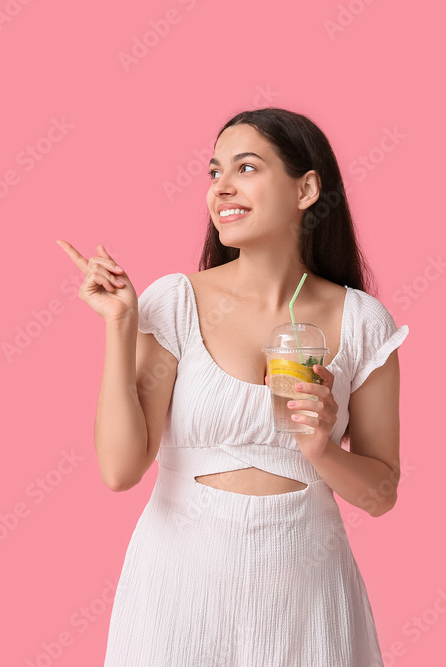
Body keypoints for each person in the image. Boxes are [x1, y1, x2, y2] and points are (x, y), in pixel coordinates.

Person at [57, 107, 407, 666]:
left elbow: (380, 495)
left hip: (306, 597)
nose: (222, 187)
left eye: (246, 168)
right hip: (177, 594)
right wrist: (121, 324)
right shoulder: (175, 303)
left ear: (307, 188)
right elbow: (119, 470)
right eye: (214, 171)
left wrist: (318, 447)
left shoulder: (364, 323)